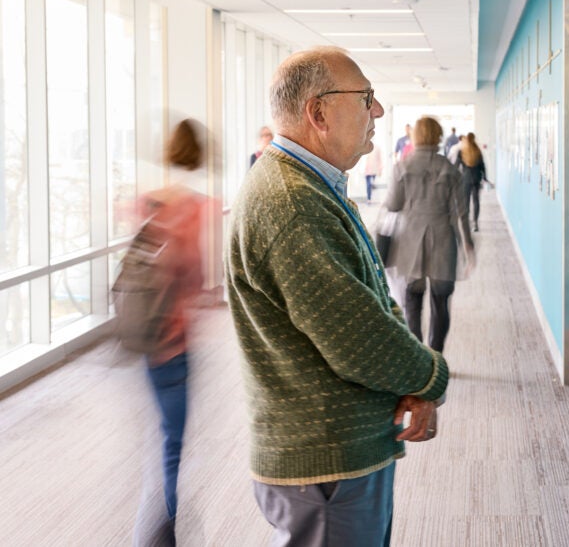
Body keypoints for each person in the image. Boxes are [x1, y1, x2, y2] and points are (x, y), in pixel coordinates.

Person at [226, 46, 448, 546]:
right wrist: (431, 376)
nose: (379, 111)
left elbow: (369, 297)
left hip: (337, 456)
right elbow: (358, 339)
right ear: (318, 113)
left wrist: (412, 373)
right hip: (325, 463)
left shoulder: (312, 187)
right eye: (366, 97)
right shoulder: (292, 203)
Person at [135, 119, 210, 545]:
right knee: (172, 440)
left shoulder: (147, 200)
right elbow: (196, 277)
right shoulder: (196, 206)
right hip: (177, 339)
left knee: (161, 429)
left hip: (145, 335)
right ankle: (163, 528)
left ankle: (160, 520)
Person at [384, 116, 473, 353]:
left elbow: (392, 205)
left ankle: (419, 359)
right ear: (438, 136)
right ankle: (436, 355)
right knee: (440, 302)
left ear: (415, 136)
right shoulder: (450, 168)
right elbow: (461, 213)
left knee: (412, 302)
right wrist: (469, 247)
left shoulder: (401, 167)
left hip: (410, 242)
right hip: (444, 241)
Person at [456, 132, 487, 232]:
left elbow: (456, 166)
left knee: (466, 201)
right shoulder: (478, 151)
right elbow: (482, 166)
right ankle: (475, 223)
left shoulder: (462, 152)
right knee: (476, 201)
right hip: (476, 179)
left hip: (465, 179)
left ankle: (466, 223)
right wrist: (485, 178)